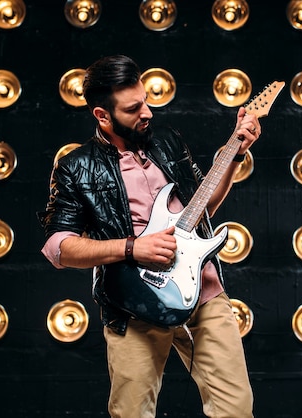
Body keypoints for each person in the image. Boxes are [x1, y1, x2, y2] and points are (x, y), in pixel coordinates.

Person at [38, 54, 261, 418]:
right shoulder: (77, 166)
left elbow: (201, 213)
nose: (147, 113)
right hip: (133, 305)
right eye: (133, 108)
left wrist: (236, 154)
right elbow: (58, 248)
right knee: (131, 412)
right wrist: (132, 248)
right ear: (102, 115)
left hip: (202, 293)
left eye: (146, 101)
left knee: (236, 409)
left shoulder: (168, 142)